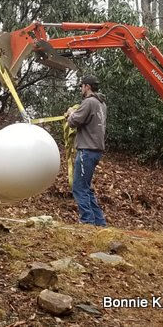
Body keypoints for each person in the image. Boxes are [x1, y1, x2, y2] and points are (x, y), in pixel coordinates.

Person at [66, 75, 107, 227]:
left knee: (79, 187)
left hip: (86, 150)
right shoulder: (102, 104)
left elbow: (73, 121)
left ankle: (87, 222)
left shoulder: (89, 102)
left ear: (87, 86)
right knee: (86, 188)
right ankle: (99, 223)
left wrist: (71, 112)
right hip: (96, 151)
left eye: (81, 86)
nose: (80, 89)